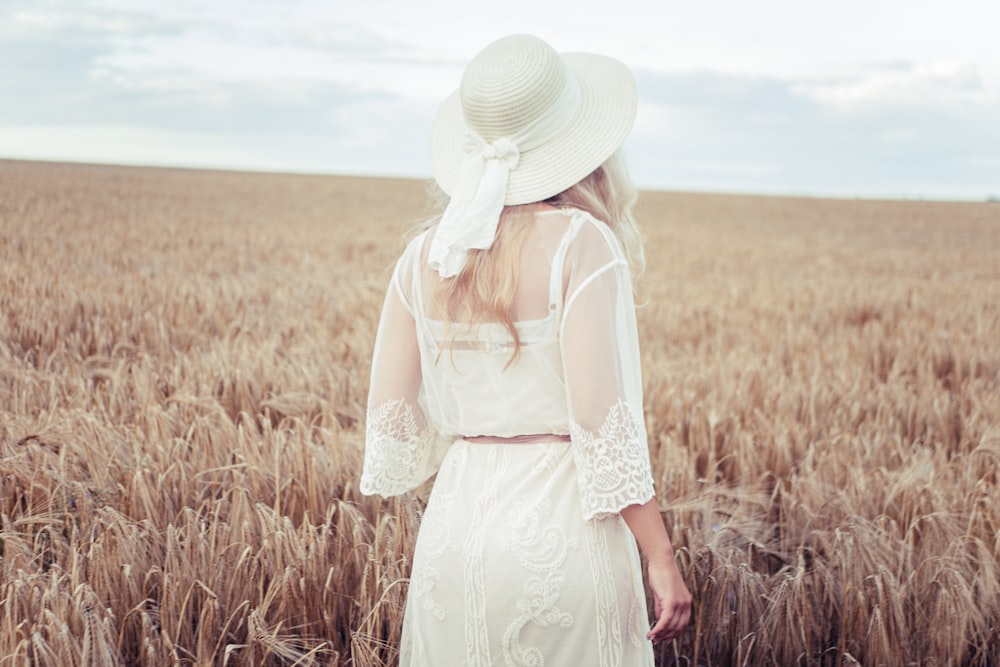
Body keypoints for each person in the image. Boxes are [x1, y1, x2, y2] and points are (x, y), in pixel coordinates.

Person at [360, 34, 692, 665]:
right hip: (567, 530)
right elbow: (601, 422)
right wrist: (659, 554)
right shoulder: (581, 244)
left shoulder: (424, 256)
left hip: (455, 532)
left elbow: (396, 421)